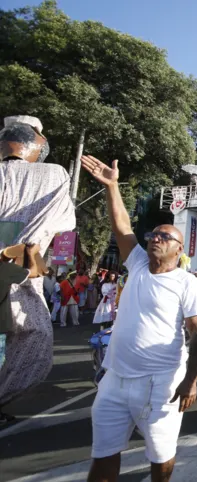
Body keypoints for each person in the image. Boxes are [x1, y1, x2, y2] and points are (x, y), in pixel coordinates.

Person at [80, 154, 197, 482]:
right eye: (153, 235)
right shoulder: (136, 263)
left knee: (160, 457)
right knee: (102, 455)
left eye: (164, 237)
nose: (155, 239)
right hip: (114, 379)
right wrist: (112, 186)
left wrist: (190, 380)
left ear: (179, 250)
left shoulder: (187, 283)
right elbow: (122, 225)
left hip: (161, 384)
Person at [0, 115, 75, 424]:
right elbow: (63, 223)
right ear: (35, 142)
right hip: (18, 276)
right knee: (35, 337)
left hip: (16, 272)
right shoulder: (53, 174)